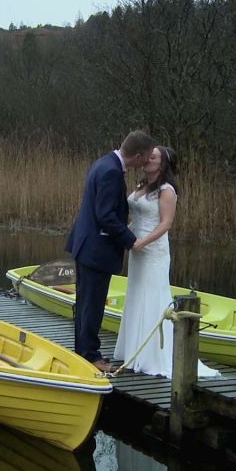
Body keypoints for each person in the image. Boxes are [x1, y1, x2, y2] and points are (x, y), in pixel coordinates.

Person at [113, 146, 219, 378]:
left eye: (154, 157)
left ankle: (153, 355)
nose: (148, 159)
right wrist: (127, 236)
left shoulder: (166, 190)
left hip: (153, 251)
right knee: (136, 294)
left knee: (152, 296)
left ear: (163, 164)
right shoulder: (142, 186)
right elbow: (139, 217)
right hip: (136, 248)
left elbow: (165, 224)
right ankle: (134, 349)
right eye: (148, 155)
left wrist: (142, 242)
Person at [65, 130, 156, 372]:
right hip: (96, 249)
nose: (146, 163)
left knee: (86, 303)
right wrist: (130, 240)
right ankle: (90, 356)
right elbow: (104, 215)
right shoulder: (112, 172)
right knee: (92, 304)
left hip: (86, 245)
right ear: (137, 156)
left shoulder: (103, 162)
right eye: (145, 158)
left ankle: (84, 351)